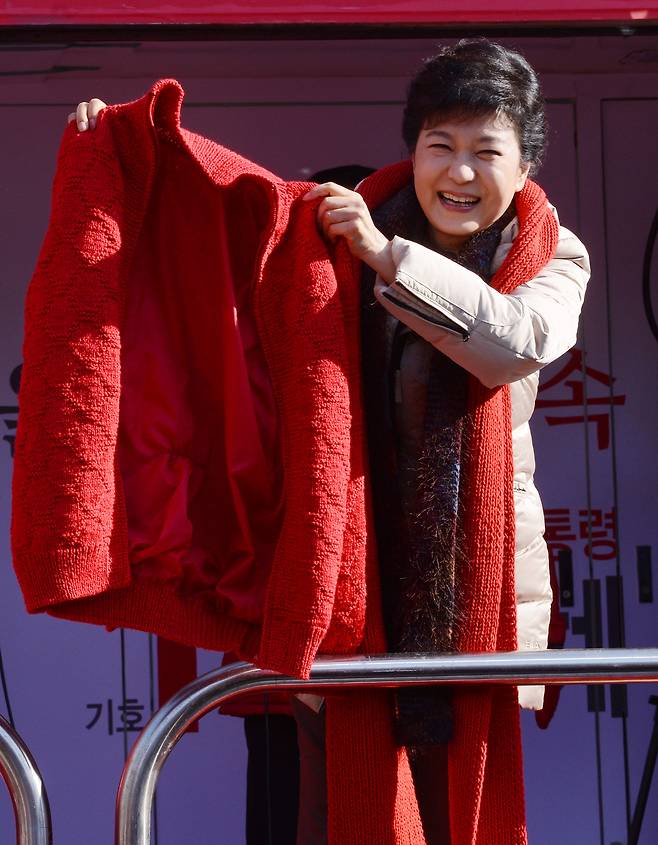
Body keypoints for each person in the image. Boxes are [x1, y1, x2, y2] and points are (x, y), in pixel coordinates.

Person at [68, 38, 589, 845]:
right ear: (412, 151)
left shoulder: (547, 251)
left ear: (524, 167)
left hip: (467, 602)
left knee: (461, 818)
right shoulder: (343, 231)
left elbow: (516, 340)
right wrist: (129, 153)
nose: (459, 173)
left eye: (486, 152)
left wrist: (386, 258)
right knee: (326, 814)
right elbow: (222, 236)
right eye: (439, 147)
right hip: (344, 581)